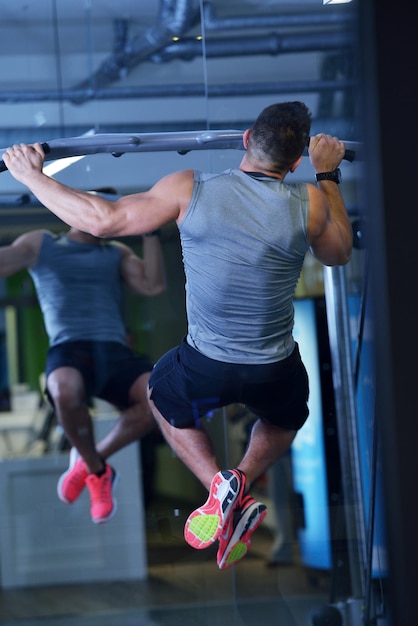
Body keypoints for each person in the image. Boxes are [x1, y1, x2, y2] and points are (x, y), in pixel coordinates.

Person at [2, 101, 352, 567]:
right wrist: (328, 178)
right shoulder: (309, 201)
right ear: (295, 163)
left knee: (161, 396)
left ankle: (220, 485)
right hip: (273, 366)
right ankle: (240, 480)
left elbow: (103, 220)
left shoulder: (191, 188)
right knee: (285, 419)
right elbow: (340, 253)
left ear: (246, 138)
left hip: (206, 364)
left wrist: (31, 176)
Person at [0, 222, 166, 524]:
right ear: (77, 212)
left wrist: (150, 232)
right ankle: (98, 470)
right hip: (69, 346)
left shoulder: (116, 252)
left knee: (160, 398)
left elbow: (152, 286)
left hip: (113, 348)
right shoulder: (42, 243)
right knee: (64, 390)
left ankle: (90, 462)